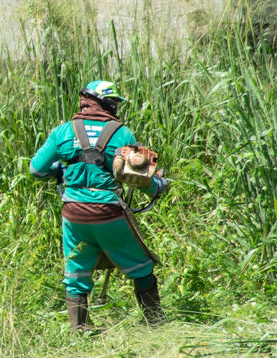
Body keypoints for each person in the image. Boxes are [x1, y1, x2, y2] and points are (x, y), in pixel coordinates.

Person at [29, 79, 171, 332]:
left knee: (76, 270)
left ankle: (79, 329)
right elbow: (137, 175)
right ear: (105, 103)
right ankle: (157, 325)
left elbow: (36, 170)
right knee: (140, 265)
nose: (115, 106)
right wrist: (157, 186)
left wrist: (59, 171)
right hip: (108, 212)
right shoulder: (121, 133)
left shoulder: (62, 131)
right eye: (113, 101)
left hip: (73, 213)